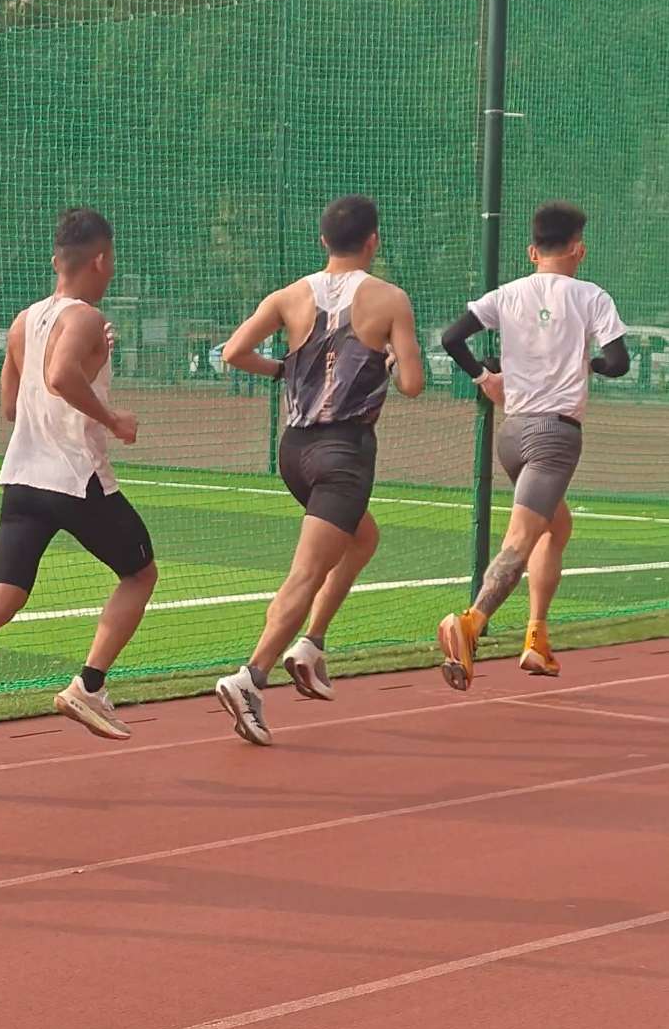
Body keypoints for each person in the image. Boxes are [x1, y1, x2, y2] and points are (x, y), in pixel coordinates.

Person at [0, 207, 156, 789]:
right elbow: (61, 377)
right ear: (101, 260)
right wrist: (113, 418)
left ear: (55, 260)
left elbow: (10, 405)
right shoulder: (88, 317)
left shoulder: (24, 321)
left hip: (22, 477)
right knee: (140, 573)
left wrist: (86, 362)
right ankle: (89, 686)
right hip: (75, 478)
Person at [213, 194, 424, 743]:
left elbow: (233, 352)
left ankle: (311, 645)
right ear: (373, 241)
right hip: (344, 455)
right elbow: (412, 384)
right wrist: (392, 359)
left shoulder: (289, 295)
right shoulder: (390, 299)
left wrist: (284, 370)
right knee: (306, 573)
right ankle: (250, 676)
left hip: (295, 451)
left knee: (362, 538)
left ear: (323, 240)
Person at [436, 201, 629, 688]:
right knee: (521, 539)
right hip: (554, 437)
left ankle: (537, 639)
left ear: (532, 251)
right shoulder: (591, 296)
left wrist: (484, 378)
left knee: (555, 527)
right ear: (579, 249)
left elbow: (452, 337)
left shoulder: (507, 294)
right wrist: (590, 365)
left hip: (513, 434)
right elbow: (619, 362)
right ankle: (470, 623)